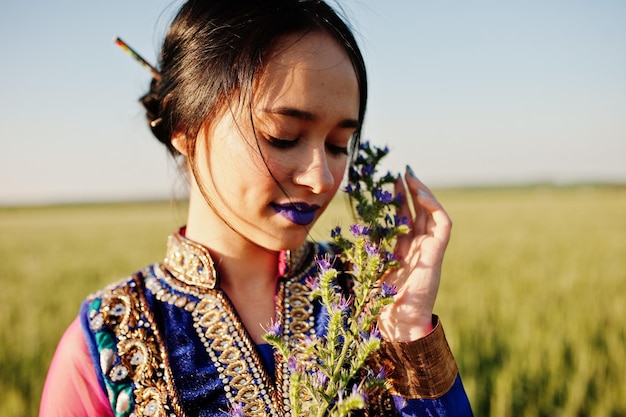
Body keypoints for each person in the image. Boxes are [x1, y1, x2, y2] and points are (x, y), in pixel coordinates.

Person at [40, 1, 473, 416]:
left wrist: (409, 328)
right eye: (283, 136)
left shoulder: (363, 297)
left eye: (338, 145)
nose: (322, 178)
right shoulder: (106, 341)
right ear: (185, 126)